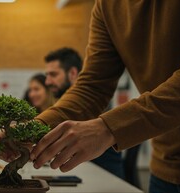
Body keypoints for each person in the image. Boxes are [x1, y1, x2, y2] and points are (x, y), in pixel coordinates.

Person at [29, 1, 180, 193]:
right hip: (165, 171)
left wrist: (108, 128)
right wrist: (32, 129)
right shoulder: (107, 5)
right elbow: (93, 86)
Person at [43, 47, 124, 179]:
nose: (47, 81)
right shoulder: (70, 109)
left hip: (103, 181)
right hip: (84, 177)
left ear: (73, 73)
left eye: (53, 74)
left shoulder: (89, 109)